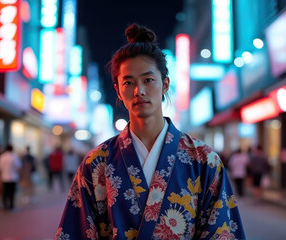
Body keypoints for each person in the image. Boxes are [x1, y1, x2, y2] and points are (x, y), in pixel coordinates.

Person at [56, 23, 245, 240]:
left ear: (165, 84)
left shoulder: (204, 160)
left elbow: (221, 231)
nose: (139, 90)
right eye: (129, 82)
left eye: (148, 80)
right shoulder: (96, 163)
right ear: (117, 90)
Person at [0, 144, 22, 211]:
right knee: (12, 192)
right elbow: (18, 167)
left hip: (4, 177)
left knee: (5, 192)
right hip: (13, 177)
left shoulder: (2, 157)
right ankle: (11, 206)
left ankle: (5, 205)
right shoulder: (14, 157)